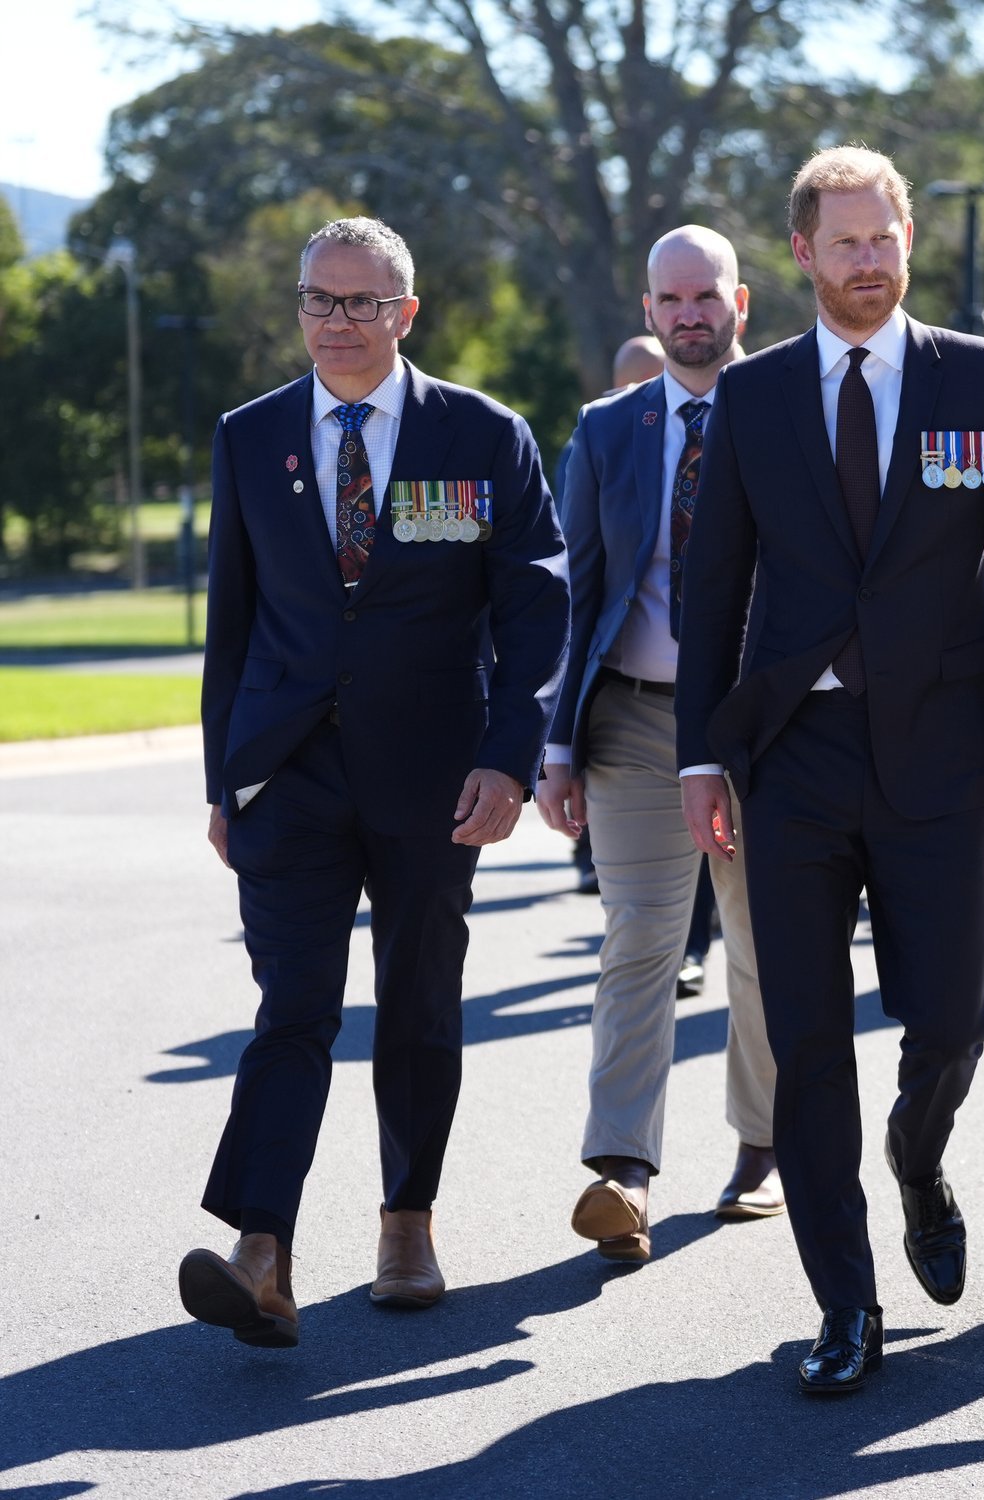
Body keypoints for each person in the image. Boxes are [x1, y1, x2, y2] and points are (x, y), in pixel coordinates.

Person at [674, 146, 984, 1395]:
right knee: (804, 1039)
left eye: (882, 237)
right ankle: (844, 1303)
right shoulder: (753, 396)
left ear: (908, 240)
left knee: (952, 1015)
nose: (867, 260)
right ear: (802, 253)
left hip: (944, 754)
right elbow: (712, 587)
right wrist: (700, 754)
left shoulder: (980, 376)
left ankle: (917, 1151)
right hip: (792, 757)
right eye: (842, 242)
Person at [182, 216, 570, 1347]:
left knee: (418, 1002)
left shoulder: (483, 435)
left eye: (361, 303)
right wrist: (223, 778)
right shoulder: (250, 436)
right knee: (292, 1010)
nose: (337, 322)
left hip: (435, 775)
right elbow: (231, 621)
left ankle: (408, 1221)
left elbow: (535, 608)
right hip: (287, 772)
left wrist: (508, 757)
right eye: (319, 299)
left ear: (407, 312)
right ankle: (262, 1250)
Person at [536, 227, 785, 1262]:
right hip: (634, 720)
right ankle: (622, 1170)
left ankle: (762, 1146)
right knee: (638, 937)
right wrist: (555, 743)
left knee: (763, 942)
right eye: (670, 300)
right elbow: (574, 592)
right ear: (648, 311)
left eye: (705, 296)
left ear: (740, 303)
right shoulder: (607, 430)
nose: (689, 315)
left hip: (763, 721)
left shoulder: (790, 410)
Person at [555, 334, 668, 898]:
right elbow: (577, 576)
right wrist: (558, 741)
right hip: (624, 692)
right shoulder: (597, 433)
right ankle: (587, 853)